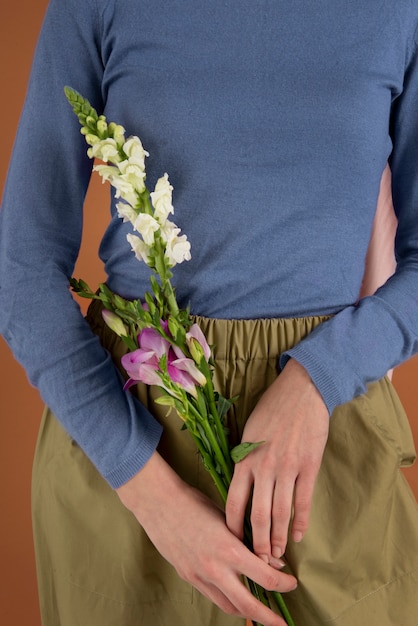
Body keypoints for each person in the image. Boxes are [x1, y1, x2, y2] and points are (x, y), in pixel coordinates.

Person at [1, 2, 418, 625]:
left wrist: (317, 378)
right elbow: (23, 268)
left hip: (323, 443)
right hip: (129, 439)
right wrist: (151, 491)